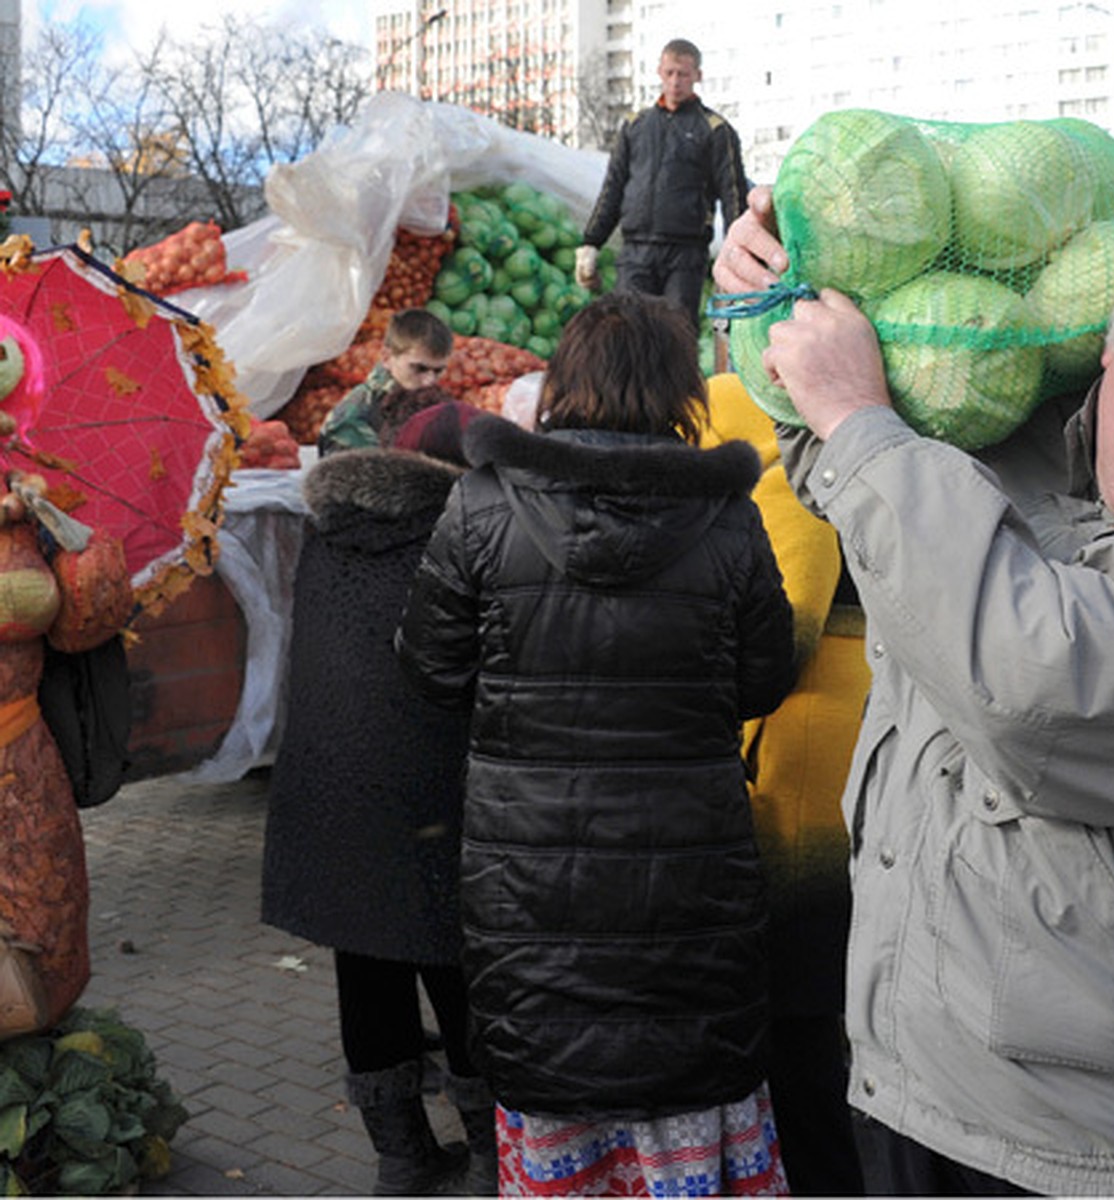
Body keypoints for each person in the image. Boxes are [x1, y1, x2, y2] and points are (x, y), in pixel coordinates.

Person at [716, 191, 1114, 1194]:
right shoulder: (1029, 448)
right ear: (1110, 344)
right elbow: (858, 491)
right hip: (910, 1079)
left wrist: (859, 418)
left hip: (1091, 1156)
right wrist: (783, 297)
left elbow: (1034, 680)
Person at [394, 292, 798, 1197]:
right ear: (679, 389)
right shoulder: (728, 517)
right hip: (689, 881)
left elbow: (429, 670)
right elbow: (763, 679)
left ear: (566, 384)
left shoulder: (483, 503)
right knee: (689, 1080)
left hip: (530, 879)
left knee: (554, 1078)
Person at [260, 401, 497, 1197]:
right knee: (459, 966)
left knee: (365, 969)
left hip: (328, 788)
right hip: (426, 789)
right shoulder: (461, 535)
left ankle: (401, 1156)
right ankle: (493, 1150)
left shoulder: (329, 535)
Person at [701, 372, 869, 1197]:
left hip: (805, 765)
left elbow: (783, 634)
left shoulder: (793, 487)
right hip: (841, 743)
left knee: (800, 1005)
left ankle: (820, 1171)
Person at [0, 315, 135, 1039]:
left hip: (20, 749)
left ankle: (30, 1053)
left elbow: (85, 623)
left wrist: (65, 534)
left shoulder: (37, 494)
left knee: (44, 914)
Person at [574, 38, 748, 333]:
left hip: (685, 254)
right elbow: (613, 187)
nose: (675, 81)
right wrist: (591, 242)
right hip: (635, 252)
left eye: (683, 74)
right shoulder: (635, 126)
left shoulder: (716, 130)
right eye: (669, 73)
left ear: (698, 76)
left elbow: (733, 195)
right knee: (626, 333)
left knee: (675, 335)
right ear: (658, 72)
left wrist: (741, 252)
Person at [317, 309, 454, 457]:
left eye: (438, 371)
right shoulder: (355, 417)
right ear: (387, 357)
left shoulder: (429, 405)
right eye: (419, 369)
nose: (429, 381)